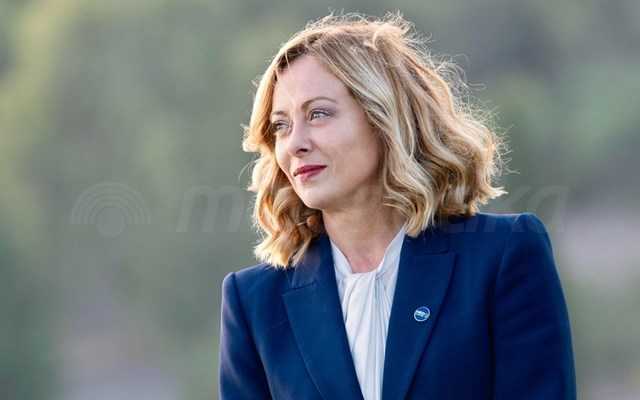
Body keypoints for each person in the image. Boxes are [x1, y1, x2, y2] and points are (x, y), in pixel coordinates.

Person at [219, 12, 576, 400]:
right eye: (281, 126)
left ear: (384, 118)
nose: (295, 143)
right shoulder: (253, 301)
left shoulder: (504, 255)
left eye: (318, 114)